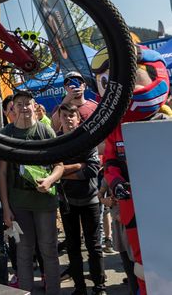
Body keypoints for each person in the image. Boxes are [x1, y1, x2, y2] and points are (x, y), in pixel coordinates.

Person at [93, 45, 170, 295]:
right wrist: (115, 182)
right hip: (134, 208)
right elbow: (110, 161)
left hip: (165, 207)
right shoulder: (119, 128)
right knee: (142, 265)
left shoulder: (166, 123)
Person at [0, 89, 63, 294]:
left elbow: (59, 165)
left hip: (45, 203)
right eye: (19, 104)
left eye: (28, 103)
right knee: (24, 252)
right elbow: (1, 174)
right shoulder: (7, 133)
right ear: (13, 109)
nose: (24, 107)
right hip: (19, 204)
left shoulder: (46, 131)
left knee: (49, 250)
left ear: (34, 106)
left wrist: (50, 180)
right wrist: (6, 208)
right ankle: (25, 292)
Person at [58, 104, 106, 295]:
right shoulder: (57, 142)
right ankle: (80, 288)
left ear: (78, 119)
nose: (69, 119)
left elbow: (92, 169)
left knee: (94, 247)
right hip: (67, 201)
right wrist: (79, 166)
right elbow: (51, 168)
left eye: (72, 116)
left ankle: (99, 287)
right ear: (59, 119)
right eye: (65, 116)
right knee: (73, 246)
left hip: (90, 200)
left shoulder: (88, 139)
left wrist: (62, 172)